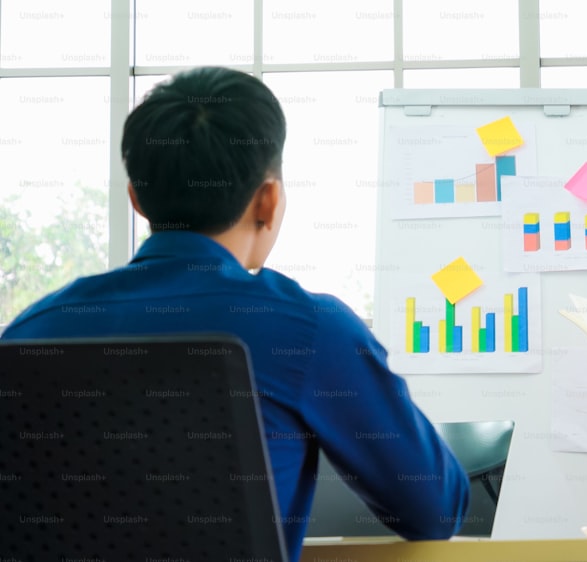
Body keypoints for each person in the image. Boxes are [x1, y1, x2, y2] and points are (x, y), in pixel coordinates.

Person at [0, 67, 470, 561]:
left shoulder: (31, 331)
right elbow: (433, 510)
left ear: (136, 199)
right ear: (268, 199)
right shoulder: (308, 329)